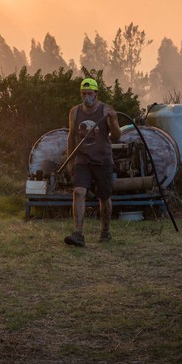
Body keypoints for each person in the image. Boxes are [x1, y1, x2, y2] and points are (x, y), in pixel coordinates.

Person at [64, 77, 121, 247]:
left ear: (96, 93)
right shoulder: (75, 112)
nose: (86, 96)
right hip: (83, 160)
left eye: (90, 93)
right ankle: (78, 234)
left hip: (103, 160)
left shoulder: (106, 110)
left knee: (104, 197)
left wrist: (115, 120)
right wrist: (70, 159)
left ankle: (105, 231)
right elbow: (72, 136)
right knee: (79, 192)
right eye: (83, 93)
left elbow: (117, 136)